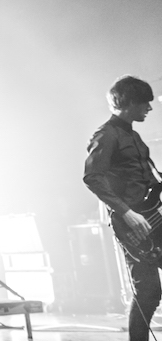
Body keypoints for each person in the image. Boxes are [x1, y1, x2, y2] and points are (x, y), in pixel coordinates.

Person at [83, 75, 156, 341]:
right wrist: (127, 212)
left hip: (153, 216)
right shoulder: (106, 135)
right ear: (129, 102)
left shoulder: (133, 136)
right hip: (133, 224)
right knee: (148, 291)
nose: (149, 108)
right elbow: (92, 177)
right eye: (145, 103)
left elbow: (149, 180)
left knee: (149, 292)